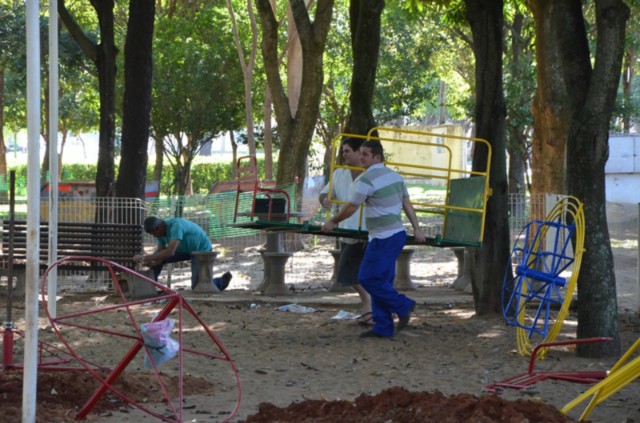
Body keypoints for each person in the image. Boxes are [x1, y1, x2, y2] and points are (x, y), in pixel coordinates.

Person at [322, 139, 426, 338]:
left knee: (366, 278)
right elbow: (407, 205)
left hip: (383, 237)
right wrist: (416, 229)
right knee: (381, 280)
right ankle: (383, 327)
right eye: (360, 153)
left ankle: (404, 305)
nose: (360, 157)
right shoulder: (395, 176)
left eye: (365, 154)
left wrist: (332, 222)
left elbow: (352, 207)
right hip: (395, 235)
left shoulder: (366, 179)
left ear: (377, 157)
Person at [319, 137, 372, 325]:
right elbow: (325, 192)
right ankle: (369, 308)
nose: (344, 155)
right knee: (350, 273)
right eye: (343, 151)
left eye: (347, 151)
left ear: (359, 153)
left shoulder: (370, 174)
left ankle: (370, 308)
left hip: (367, 230)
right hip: (347, 229)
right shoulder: (340, 173)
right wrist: (324, 200)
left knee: (357, 273)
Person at [135, 216, 226, 290]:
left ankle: (220, 282)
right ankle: (149, 288)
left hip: (200, 250)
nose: (154, 236)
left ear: (160, 226)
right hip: (182, 250)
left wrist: (146, 258)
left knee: (197, 287)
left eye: (154, 233)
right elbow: (159, 253)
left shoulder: (175, 225)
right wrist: (152, 262)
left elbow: (170, 252)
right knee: (155, 258)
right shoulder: (160, 233)